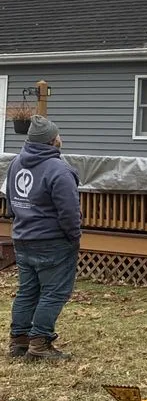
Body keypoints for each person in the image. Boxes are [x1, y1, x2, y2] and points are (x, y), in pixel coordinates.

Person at [6, 116, 81, 361]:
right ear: (52, 140)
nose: (60, 138)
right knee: (54, 293)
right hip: (52, 241)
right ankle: (40, 345)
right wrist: (74, 236)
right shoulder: (58, 170)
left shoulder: (16, 163)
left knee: (28, 291)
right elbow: (69, 212)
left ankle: (19, 341)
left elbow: (10, 199)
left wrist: (18, 222)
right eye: (58, 134)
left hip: (22, 236)